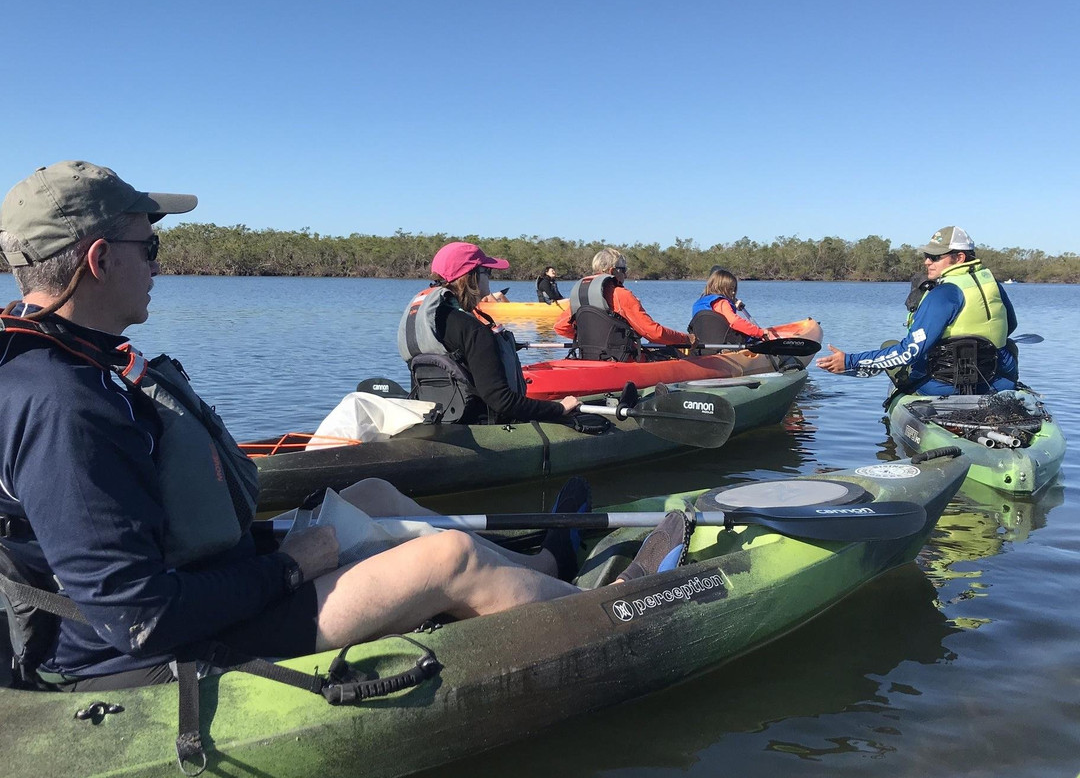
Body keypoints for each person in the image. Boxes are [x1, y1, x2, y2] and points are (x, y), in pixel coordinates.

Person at [0, 162, 684, 691]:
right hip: (146, 652)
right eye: (147, 247)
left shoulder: (78, 359)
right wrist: (292, 565)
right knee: (449, 559)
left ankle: (539, 567)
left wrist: (292, 554)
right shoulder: (64, 405)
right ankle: (610, 612)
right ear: (97, 260)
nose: (157, 262)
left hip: (203, 581)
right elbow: (141, 620)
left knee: (371, 497)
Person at [816, 226, 1018, 395]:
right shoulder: (992, 285)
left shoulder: (944, 293)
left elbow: (908, 353)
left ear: (959, 258)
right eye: (927, 255)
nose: (927, 261)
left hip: (943, 386)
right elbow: (1011, 325)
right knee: (1008, 345)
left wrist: (849, 361)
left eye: (935, 256)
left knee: (891, 345)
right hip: (998, 382)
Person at [398, 241, 581, 424]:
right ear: (473, 277)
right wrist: (559, 408)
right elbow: (502, 401)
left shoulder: (425, 322)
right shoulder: (473, 330)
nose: (490, 279)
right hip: (482, 427)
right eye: (488, 271)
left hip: (438, 420)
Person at [554, 247, 691, 361]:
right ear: (613, 271)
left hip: (589, 358)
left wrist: (591, 340)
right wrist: (685, 338)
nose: (625, 275)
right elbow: (654, 333)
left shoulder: (580, 295)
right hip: (624, 360)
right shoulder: (621, 295)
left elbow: (561, 327)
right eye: (624, 270)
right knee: (674, 354)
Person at [688, 266, 766, 350]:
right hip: (724, 343)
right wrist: (760, 332)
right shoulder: (722, 302)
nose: (733, 292)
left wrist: (733, 303)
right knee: (754, 338)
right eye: (730, 289)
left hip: (703, 344)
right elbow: (735, 322)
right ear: (720, 287)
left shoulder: (699, 303)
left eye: (734, 289)